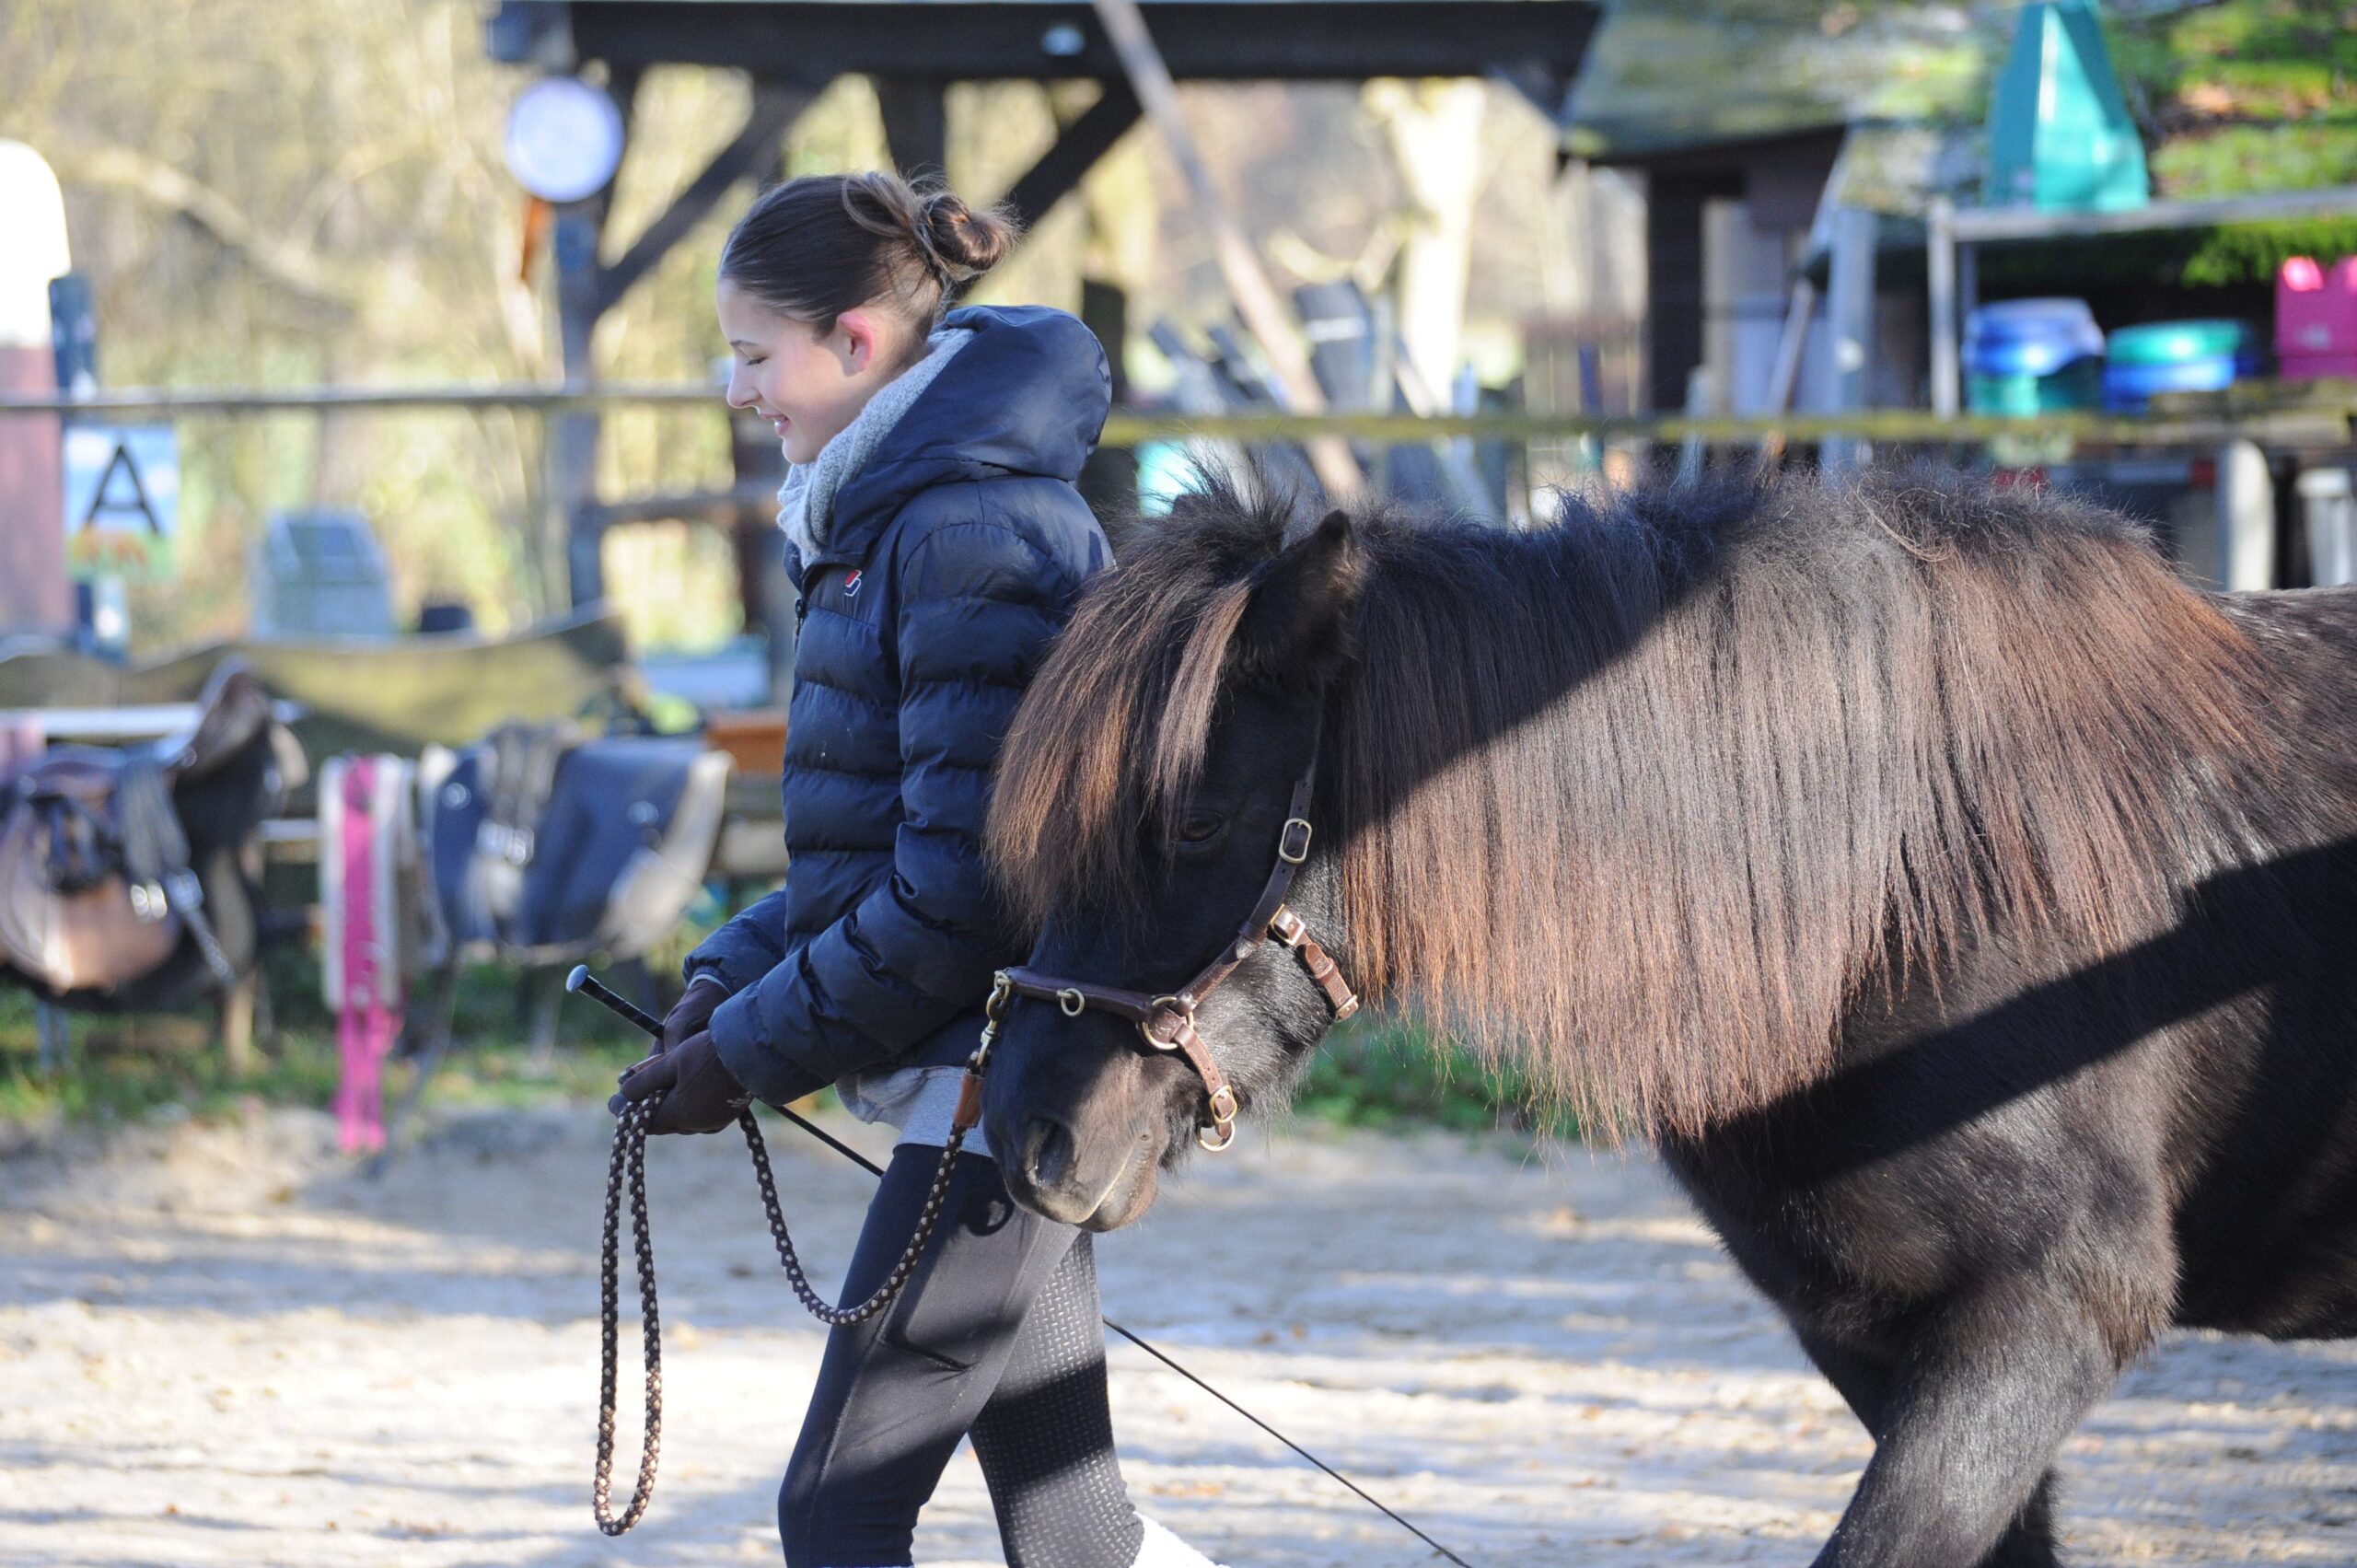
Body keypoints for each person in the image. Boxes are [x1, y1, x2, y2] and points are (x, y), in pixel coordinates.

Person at [610, 171, 1224, 1568]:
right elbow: (887, 852)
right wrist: (727, 982)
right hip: (986, 1078)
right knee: (1074, 1531)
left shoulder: (966, 536)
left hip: (995, 1084)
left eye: (753, 355)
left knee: (839, 1512)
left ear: (854, 342)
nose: (736, 391)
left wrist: (747, 1054)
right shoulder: (888, 529)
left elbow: (964, 895)